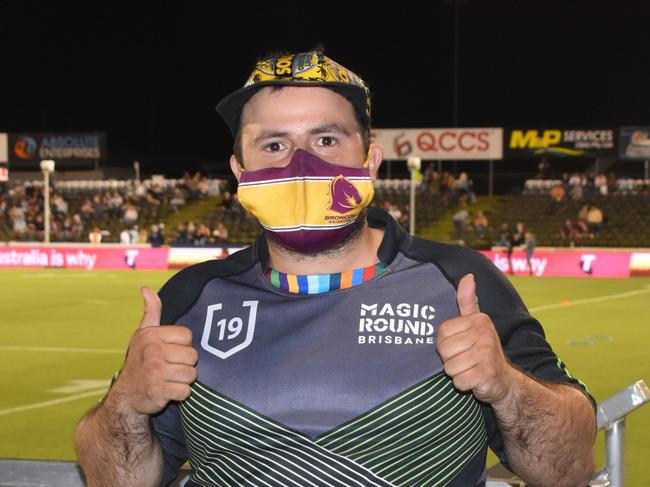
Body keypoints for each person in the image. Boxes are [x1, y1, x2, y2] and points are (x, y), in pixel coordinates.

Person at [75, 50, 596, 487]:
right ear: (240, 170)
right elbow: (114, 478)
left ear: (369, 161)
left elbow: (568, 468)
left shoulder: (459, 281)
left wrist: (506, 386)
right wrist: (126, 402)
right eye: (274, 144)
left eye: (326, 140)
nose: (301, 164)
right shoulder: (191, 296)